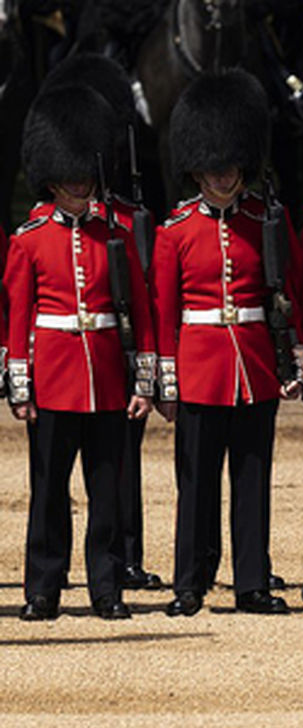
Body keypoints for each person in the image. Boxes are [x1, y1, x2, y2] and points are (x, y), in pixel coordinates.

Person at [150, 69, 303, 617]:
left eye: (233, 166)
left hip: (256, 364)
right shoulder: (175, 230)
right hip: (198, 367)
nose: (226, 176)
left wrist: (296, 358)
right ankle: (189, 582)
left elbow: (292, 293)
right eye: (215, 168)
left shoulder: (268, 219)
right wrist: (165, 380)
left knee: (252, 479)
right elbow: (165, 313)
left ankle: (252, 582)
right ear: (196, 169)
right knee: (195, 484)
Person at [5, 84, 156, 620]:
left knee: (108, 494)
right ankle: (43, 589)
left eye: (83, 176)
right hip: (52, 378)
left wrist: (143, 382)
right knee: (48, 492)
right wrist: (20, 386)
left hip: (108, 377)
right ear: (52, 177)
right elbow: (18, 317)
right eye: (68, 177)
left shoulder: (115, 234)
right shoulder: (29, 239)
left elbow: (140, 310)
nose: (77, 185)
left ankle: (107, 588)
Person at [34, 52, 165, 591]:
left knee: (112, 471)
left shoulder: (124, 223)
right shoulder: (35, 234)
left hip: (112, 361)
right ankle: (51, 576)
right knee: (54, 478)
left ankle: (117, 563)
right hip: (62, 367)